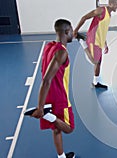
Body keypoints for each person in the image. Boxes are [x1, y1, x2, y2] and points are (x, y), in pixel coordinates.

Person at [26, 19, 75, 158]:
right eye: (71, 31)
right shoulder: (61, 52)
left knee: (56, 129)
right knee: (69, 128)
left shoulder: (50, 46)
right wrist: (40, 108)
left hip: (48, 95)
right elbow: (47, 79)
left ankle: (61, 157)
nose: (73, 33)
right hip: (59, 96)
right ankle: (48, 114)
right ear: (67, 31)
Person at [73, 0, 117, 88]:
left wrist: (105, 43)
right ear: (110, 4)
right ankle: (82, 41)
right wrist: (75, 30)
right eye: (116, 4)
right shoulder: (101, 10)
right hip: (93, 39)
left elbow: (103, 29)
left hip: (99, 41)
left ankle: (95, 82)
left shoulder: (109, 14)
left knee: (99, 62)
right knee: (95, 61)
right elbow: (84, 17)